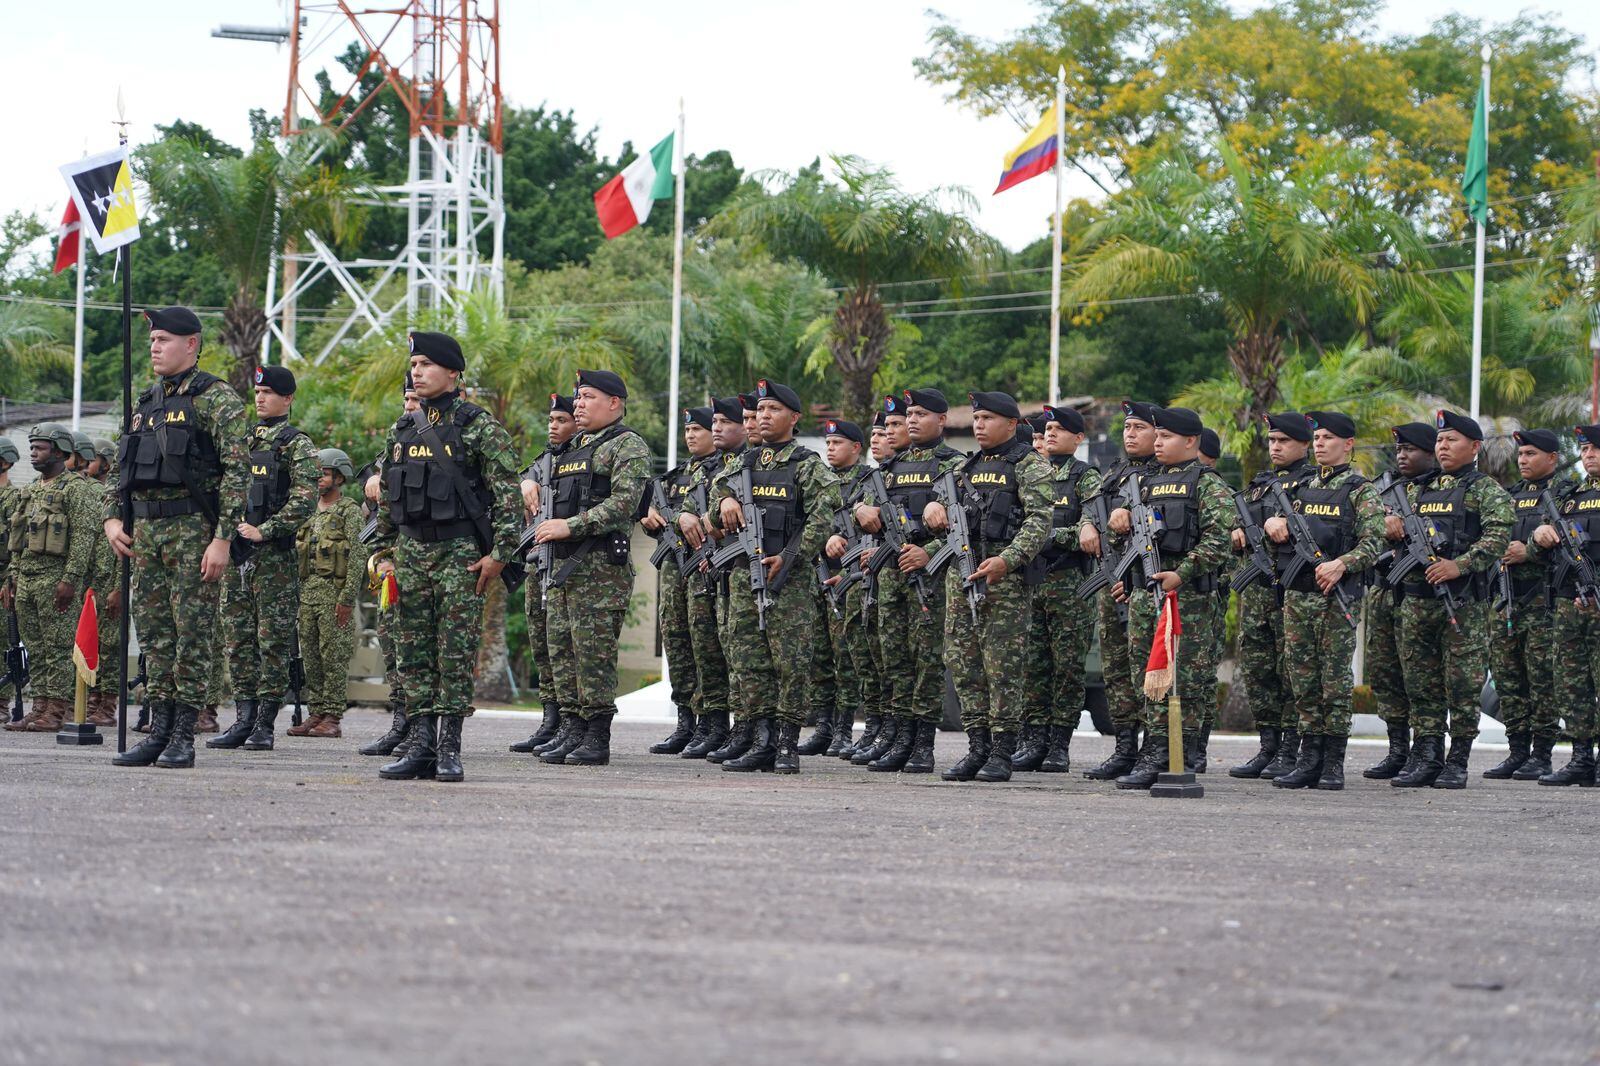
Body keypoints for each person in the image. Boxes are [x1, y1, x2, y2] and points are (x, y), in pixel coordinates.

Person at [370, 331, 523, 782]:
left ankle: (448, 748)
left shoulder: (478, 426)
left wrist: (499, 555)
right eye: (413, 365)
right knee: (412, 652)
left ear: (453, 373)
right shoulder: (400, 429)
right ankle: (418, 746)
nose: (416, 372)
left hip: (459, 554)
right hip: (410, 551)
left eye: (426, 364)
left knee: (453, 653)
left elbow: (508, 495)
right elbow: (387, 499)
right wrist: (382, 552)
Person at [105, 307, 251, 769]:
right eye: (152, 339)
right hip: (146, 532)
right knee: (154, 637)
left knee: (192, 635)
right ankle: (160, 728)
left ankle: (184, 733)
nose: (154, 347)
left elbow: (237, 474)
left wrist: (223, 539)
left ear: (192, 344)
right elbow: (119, 469)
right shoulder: (145, 402)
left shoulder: (217, 399)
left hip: (193, 531)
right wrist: (112, 519)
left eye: (164, 339)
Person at [690, 379, 840, 773]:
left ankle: (787, 743)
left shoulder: (806, 465)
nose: (764, 417)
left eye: (773, 410)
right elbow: (715, 502)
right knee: (749, 662)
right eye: (760, 411)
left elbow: (824, 517)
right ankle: (761, 740)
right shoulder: (743, 464)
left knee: (789, 663)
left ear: (793, 417)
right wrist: (723, 501)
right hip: (743, 575)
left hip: (787, 580)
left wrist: (789, 557)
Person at [533, 369, 652, 767]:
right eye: (578, 397)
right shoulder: (572, 448)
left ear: (614, 402)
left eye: (587, 397)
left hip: (600, 567)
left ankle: (596, 735)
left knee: (592, 655)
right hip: (564, 566)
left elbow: (625, 503)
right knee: (563, 653)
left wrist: (571, 526)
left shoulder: (626, 445)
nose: (579, 404)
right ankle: (571, 728)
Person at [931, 391, 1051, 782]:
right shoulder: (966, 467)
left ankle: (1002, 750)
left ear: (1012, 424)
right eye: (977, 418)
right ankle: (978, 746)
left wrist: (1008, 560)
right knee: (964, 665)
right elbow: (945, 515)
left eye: (987, 418)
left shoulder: (1028, 465)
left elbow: (1039, 522)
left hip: (1003, 579)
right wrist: (934, 510)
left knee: (1003, 668)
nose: (979, 425)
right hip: (962, 575)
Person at [1111, 406, 1233, 790]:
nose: (1157, 443)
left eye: (1165, 437)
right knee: (1146, 678)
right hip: (1147, 596)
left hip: (1187, 599)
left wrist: (1184, 571)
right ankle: (1153, 749)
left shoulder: (1208, 484)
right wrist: (1120, 526)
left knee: (1185, 680)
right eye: (1157, 436)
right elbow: (1131, 540)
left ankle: (1176, 754)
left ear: (1191, 441)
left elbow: (1220, 541)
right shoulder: (1143, 484)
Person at [1390, 410, 1513, 789]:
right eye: (1440, 440)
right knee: (1420, 683)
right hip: (1416, 600)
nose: (1443, 446)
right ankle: (1426, 755)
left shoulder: (1485, 490)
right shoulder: (1415, 490)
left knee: (1462, 685)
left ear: (1474, 447)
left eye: (1452, 440)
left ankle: (1457, 760)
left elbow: (1497, 539)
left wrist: (1459, 566)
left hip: (1461, 603)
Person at [1265, 411, 1384, 790]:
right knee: (1302, 682)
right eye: (1317, 438)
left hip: (1335, 598)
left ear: (1348, 444)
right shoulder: (1300, 489)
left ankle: (1333, 763)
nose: (1319, 443)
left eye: (1329, 438)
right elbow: (1274, 526)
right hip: (1297, 596)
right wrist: (1273, 525)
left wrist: (1343, 564)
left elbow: (1375, 542)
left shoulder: (1360, 490)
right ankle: (1308, 758)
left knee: (1333, 683)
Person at [853, 389, 964, 772]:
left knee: (926, 662)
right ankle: (899, 735)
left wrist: (929, 553)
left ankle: (922, 744)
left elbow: (967, 525)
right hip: (889, 575)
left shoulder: (954, 466)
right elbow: (860, 506)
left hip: (929, 577)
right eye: (909, 414)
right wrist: (860, 510)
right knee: (894, 659)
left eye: (920, 414)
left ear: (942, 420)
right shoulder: (889, 469)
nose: (912, 420)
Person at [211, 365, 320, 751]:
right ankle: (242, 718)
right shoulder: (241, 442)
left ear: (287, 399)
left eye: (269, 393)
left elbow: (306, 499)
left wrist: (266, 529)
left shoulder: (296, 445)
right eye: (257, 392)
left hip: (273, 559)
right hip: (238, 556)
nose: (260, 398)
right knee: (237, 640)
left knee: (271, 642)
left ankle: (264, 725)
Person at [1228, 413, 1315, 779]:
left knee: (1290, 672)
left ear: (1304, 445)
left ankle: (1291, 749)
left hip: (1290, 590)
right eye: (1272, 440)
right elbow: (1237, 515)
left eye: (1283, 441)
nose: (1275, 447)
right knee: (1259, 669)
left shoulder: (1312, 484)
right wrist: (1237, 531)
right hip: (1258, 591)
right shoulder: (1261, 484)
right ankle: (1269, 745)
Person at [1015, 404, 1101, 773]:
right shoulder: (1030, 473)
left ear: (1078, 438)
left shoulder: (1086, 477)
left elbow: (1092, 524)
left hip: (1069, 584)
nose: (1049, 434)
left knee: (1066, 667)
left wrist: (1051, 536)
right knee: (1034, 666)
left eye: (1058, 429)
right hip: (1033, 581)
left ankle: (1058, 745)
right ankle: (1034, 740)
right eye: (1047, 428)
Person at [2, 424, 101, 732]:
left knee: (57, 646)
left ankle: (57, 710)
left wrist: (70, 579)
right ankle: (40, 706)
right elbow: (18, 539)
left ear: (59, 452)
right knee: (35, 646)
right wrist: (13, 577)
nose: (33, 452)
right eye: (32, 447)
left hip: (56, 578)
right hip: (28, 579)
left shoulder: (76, 488)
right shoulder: (30, 489)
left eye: (40, 447)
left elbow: (84, 537)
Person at [1079, 401, 1159, 780]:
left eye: (1139, 427)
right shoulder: (1113, 474)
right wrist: (1086, 526)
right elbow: (1088, 508)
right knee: (1114, 670)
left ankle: (1153, 750)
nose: (1130, 434)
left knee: (1147, 672)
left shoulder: (1163, 476)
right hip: (1109, 583)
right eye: (1127, 427)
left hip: (1144, 587)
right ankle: (1125, 747)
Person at [1481, 429, 1567, 780]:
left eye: (1531, 453)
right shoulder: (1510, 496)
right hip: (1507, 600)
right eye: (1521, 454)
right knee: (1508, 679)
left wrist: (1527, 550)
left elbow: (1571, 541)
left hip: (1543, 601)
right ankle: (1518, 751)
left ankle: (1542, 754)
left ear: (1552, 458)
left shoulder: (1564, 494)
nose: (1523, 460)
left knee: (1542, 681)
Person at [1361, 423, 1437, 779]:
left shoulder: (1442, 488)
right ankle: (1397, 750)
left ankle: (1426, 752)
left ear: (1430, 452)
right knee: (1385, 673)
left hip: (1422, 595)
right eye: (1399, 450)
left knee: (1420, 678)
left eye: (1410, 450)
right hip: (1383, 591)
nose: (1402, 456)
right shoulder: (1380, 488)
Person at [641, 406, 719, 754]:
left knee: (706, 646)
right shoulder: (672, 478)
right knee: (677, 643)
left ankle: (711, 723)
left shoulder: (724, 475)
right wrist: (650, 519)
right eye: (688, 430)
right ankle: (685, 722)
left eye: (698, 429)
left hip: (703, 567)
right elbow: (644, 510)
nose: (691, 435)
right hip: (674, 571)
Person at [509, 393, 581, 755]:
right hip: (538, 564)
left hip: (568, 564)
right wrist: (525, 482)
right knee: (543, 646)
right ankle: (550, 719)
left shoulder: (582, 460)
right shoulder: (545, 461)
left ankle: (569, 722)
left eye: (561, 420)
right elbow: (522, 480)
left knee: (565, 650)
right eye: (550, 420)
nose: (553, 426)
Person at [1530, 423, 1600, 786]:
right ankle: (1581, 757)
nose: (1589, 455)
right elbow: (1533, 551)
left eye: (1595, 449)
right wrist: (1538, 536)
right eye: (1585, 450)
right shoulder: (1567, 496)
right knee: (1572, 684)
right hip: (1568, 604)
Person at [677, 395, 746, 760]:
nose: (715, 428)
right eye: (713, 422)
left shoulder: (742, 466)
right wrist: (685, 519)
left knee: (734, 655)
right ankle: (709, 722)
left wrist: (710, 526)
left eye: (723, 422)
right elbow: (686, 511)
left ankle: (739, 727)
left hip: (736, 569)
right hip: (707, 571)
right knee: (704, 649)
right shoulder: (709, 471)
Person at [358, 375, 422, 758]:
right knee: (393, 642)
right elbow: (375, 477)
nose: (409, 405)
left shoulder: (446, 436)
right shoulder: (397, 437)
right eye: (406, 398)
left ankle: (427, 728)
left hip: (429, 555)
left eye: (415, 399)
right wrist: (372, 479)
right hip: (393, 560)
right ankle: (401, 722)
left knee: (422, 649)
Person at [288, 448, 365, 738]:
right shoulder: (305, 510)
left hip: (334, 597)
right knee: (310, 657)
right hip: (306, 596)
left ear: (339, 476)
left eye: (324, 473)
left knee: (333, 657)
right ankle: (316, 712)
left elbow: (358, 556)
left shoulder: (349, 511)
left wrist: (346, 598)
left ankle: (332, 717)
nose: (318, 479)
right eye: (316, 473)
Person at [838, 409, 895, 760]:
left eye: (885, 431)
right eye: (875, 433)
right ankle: (875, 726)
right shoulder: (871, 483)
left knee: (894, 661)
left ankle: (893, 730)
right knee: (867, 657)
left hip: (899, 577)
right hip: (865, 579)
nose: (879, 438)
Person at [811, 418, 871, 755]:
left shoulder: (867, 482)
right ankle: (823, 726)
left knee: (845, 657)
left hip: (851, 579)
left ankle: (843, 729)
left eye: (837, 443)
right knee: (820, 656)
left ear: (855, 448)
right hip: (819, 574)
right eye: (828, 443)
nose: (830, 448)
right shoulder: (821, 481)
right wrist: (824, 540)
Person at [0, 439, 19, 716]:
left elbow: (17, 541)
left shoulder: (14, 497)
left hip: (3, 572)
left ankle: (2, 701)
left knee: (4, 639)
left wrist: (10, 580)